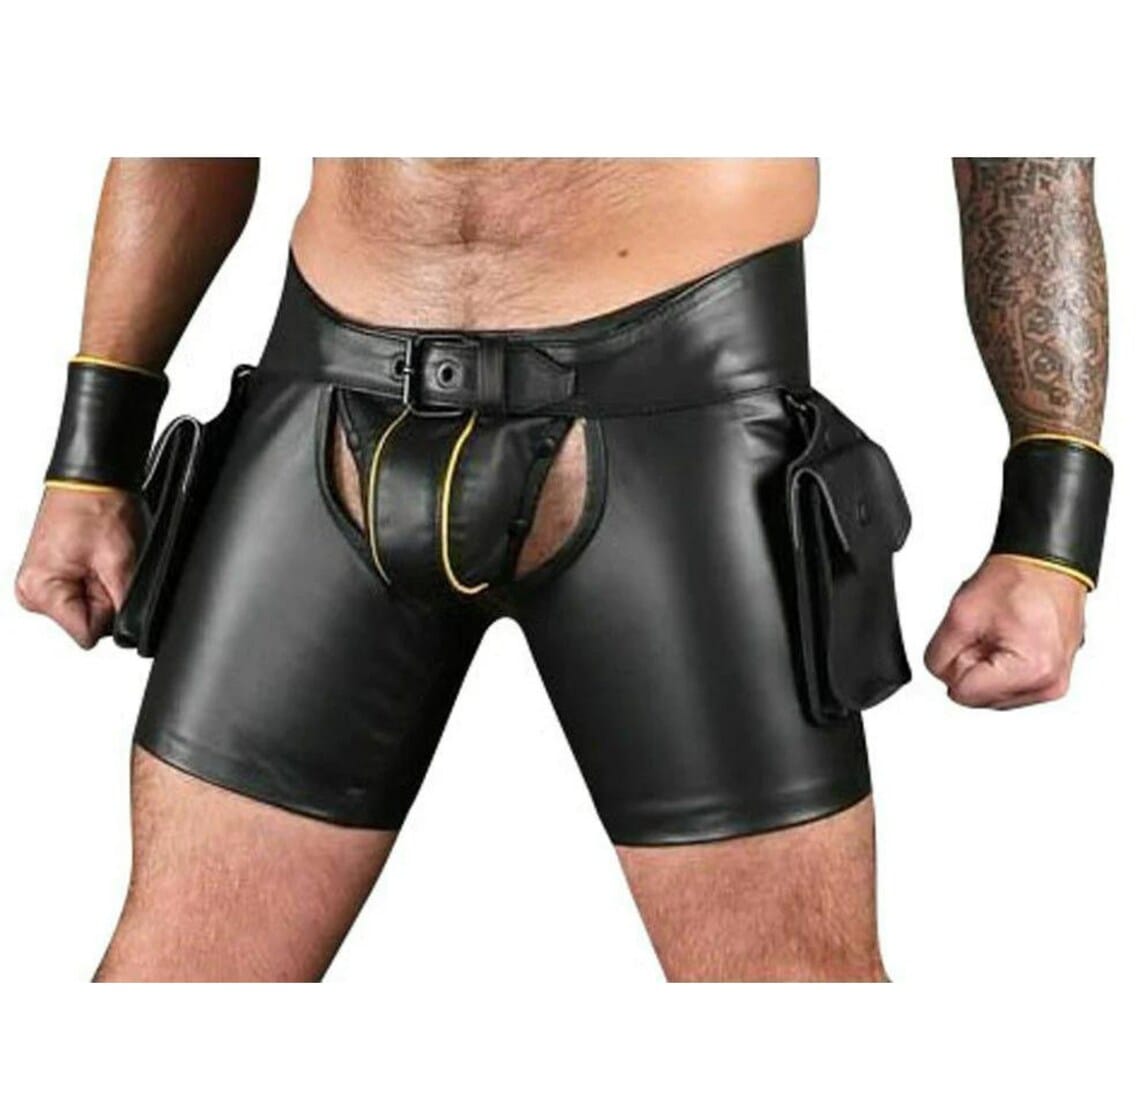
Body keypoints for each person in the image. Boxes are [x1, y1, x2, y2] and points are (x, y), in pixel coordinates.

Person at [15, 159, 1111, 981]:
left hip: (683, 412)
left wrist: (1053, 525)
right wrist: (91, 453)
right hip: (326, 396)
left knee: (788, 1004)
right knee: (178, 986)